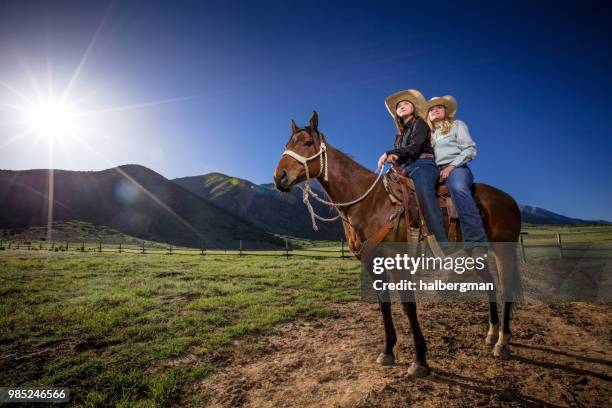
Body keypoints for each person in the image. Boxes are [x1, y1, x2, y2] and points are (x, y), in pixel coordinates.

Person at [377, 89, 448, 248]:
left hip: (424, 164)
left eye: (406, 104)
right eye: (399, 105)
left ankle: (443, 243)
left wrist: (390, 152)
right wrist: (394, 158)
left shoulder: (420, 124)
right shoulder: (398, 136)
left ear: (413, 108)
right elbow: (403, 154)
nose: (402, 106)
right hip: (406, 167)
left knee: (424, 190)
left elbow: (415, 148)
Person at [425, 95, 488, 254]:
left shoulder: (457, 125)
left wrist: (451, 167)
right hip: (434, 171)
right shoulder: (428, 135)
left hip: (456, 167)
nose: (435, 110)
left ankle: (476, 242)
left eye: (439, 107)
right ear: (428, 115)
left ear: (446, 111)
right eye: (431, 109)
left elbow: (469, 149)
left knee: (458, 187)